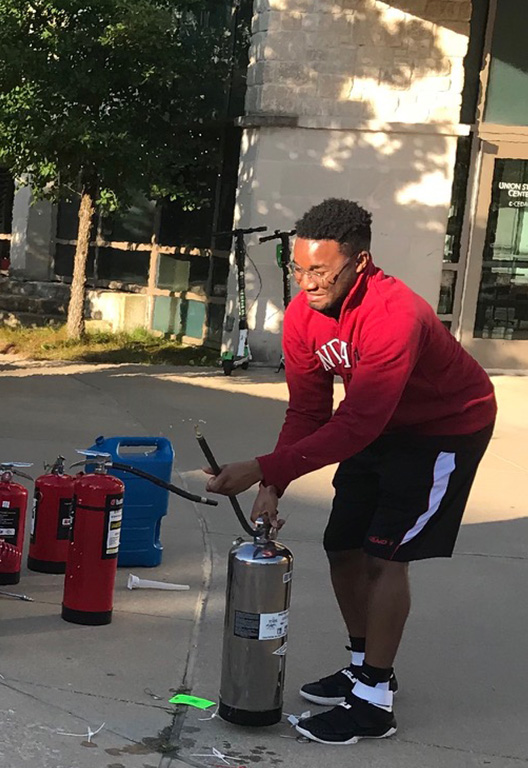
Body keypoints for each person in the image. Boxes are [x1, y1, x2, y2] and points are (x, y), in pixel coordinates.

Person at [206, 198, 496, 744]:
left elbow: (358, 422)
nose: (307, 282)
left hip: (443, 430)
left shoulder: (394, 315)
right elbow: (310, 412)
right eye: (298, 269)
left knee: (386, 553)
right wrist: (273, 483)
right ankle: (362, 666)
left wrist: (260, 467)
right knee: (343, 544)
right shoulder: (303, 316)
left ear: (359, 262)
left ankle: (374, 702)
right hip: (378, 426)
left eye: (320, 270)